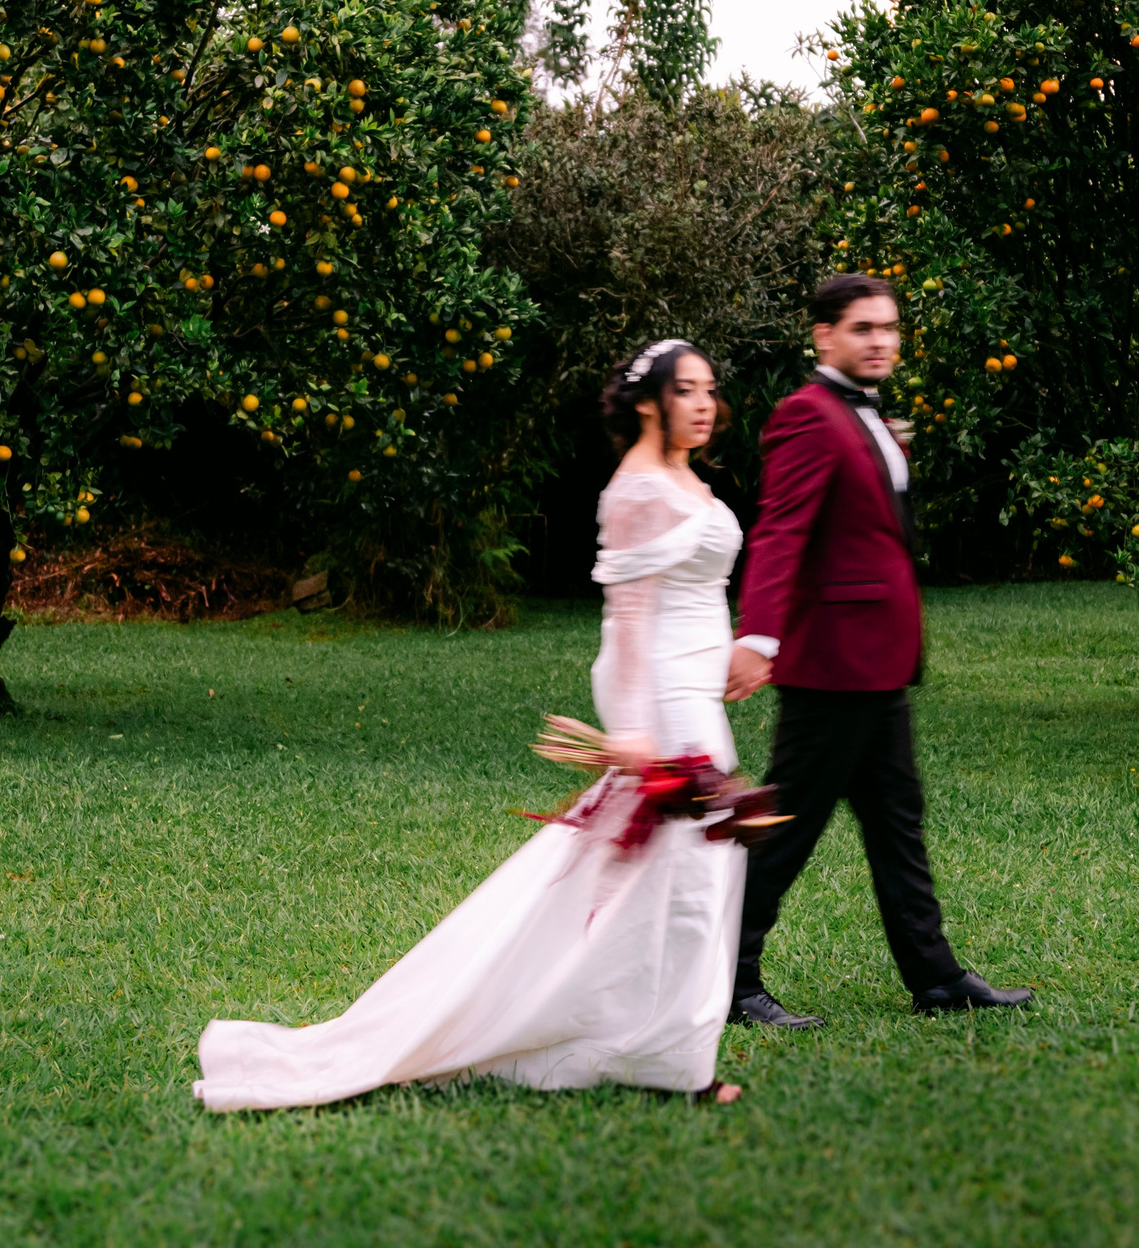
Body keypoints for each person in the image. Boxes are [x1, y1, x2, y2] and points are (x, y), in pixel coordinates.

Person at [196, 341, 750, 1109]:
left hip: (702, 696)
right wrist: (628, 730)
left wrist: (727, 660)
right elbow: (625, 623)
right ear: (649, 402)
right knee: (684, 876)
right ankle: (673, 1062)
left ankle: (656, 1044)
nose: (703, 404)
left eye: (709, 390)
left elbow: (699, 593)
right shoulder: (636, 488)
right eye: (685, 390)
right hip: (663, 705)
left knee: (694, 875)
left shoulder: (692, 478)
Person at [724, 274, 1031, 1027]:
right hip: (832, 663)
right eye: (863, 328)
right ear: (823, 335)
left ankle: (935, 976)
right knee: (789, 823)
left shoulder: (865, 417)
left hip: (876, 661)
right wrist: (758, 636)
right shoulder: (806, 414)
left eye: (889, 327)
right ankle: (729, 980)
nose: (881, 341)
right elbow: (780, 529)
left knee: (897, 819)